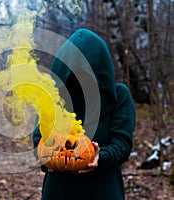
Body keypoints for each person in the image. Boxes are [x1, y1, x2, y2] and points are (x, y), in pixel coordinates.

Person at [33, 28, 136, 200]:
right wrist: (46, 158)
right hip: (59, 192)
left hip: (103, 191)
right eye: (73, 76)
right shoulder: (52, 98)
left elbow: (122, 144)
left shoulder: (118, 96)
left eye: (85, 76)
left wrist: (99, 157)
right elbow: (39, 138)